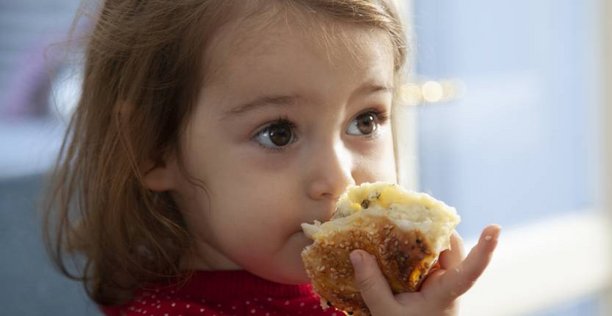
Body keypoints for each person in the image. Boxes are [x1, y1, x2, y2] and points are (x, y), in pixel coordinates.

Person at [43, 0, 501, 315]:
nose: (339, 180)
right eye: (278, 134)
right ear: (151, 147)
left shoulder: (350, 293)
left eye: (365, 121)